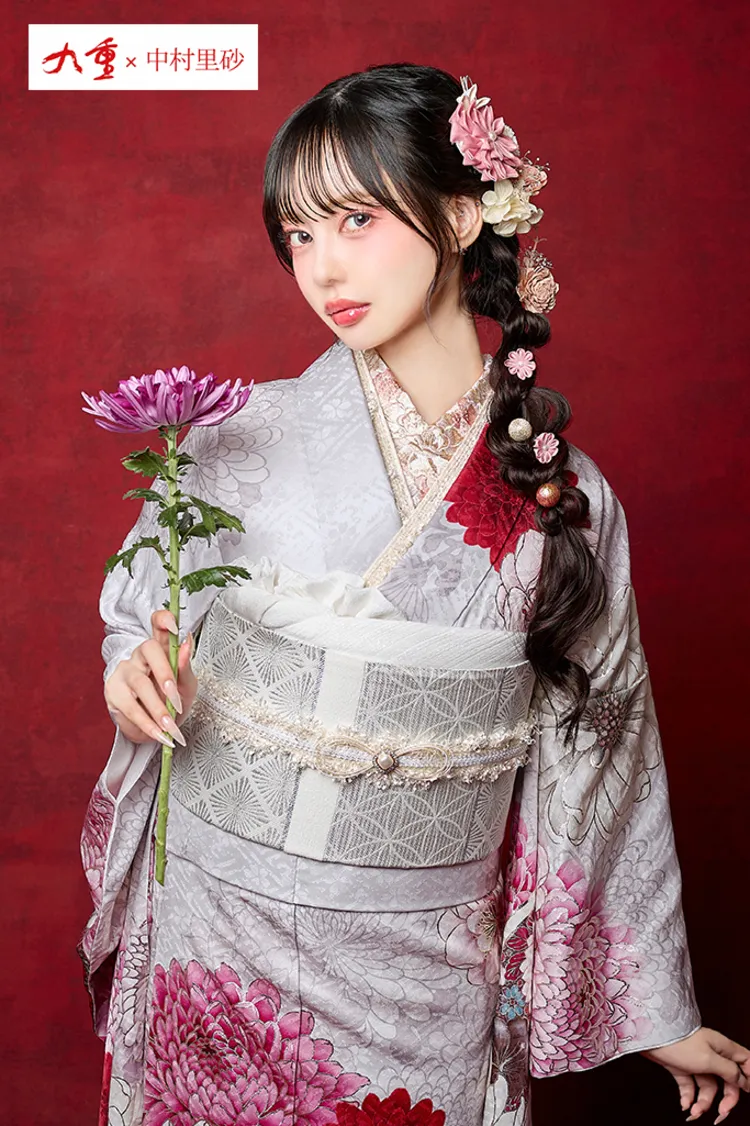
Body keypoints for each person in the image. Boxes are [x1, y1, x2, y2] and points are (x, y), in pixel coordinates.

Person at [79, 63, 749, 1126]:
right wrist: (135, 666)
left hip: (423, 966)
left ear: (463, 212)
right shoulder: (234, 437)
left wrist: (651, 1008)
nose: (322, 266)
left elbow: (601, 748)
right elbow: (139, 611)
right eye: (299, 233)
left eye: (356, 219)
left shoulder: (563, 501)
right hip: (221, 935)